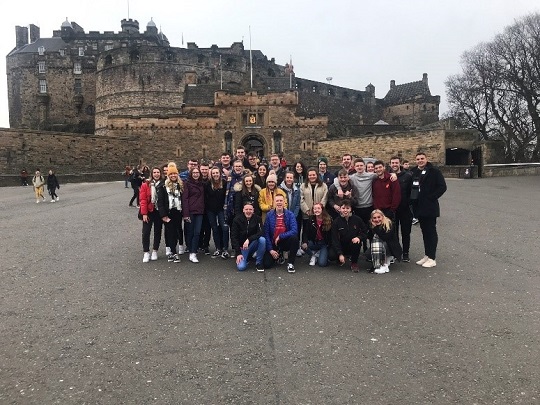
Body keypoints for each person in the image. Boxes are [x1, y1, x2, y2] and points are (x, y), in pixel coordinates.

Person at [410, 152, 447, 268]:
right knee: (424, 232)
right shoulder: (414, 171)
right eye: (418, 159)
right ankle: (427, 255)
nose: (420, 160)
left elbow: (442, 187)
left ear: (426, 159)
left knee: (431, 232)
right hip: (419, 207)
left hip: (430, 206)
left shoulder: (434, 171)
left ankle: (432, 257)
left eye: (422, 158)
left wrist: (431, 197)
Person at [263, 194, 299, 273]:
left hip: (284, 241)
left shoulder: (290, 214)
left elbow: (294, 230)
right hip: (273, 243)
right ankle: (278, 254)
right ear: (274, 202)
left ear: (284, 202)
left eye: (281, 201)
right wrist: (270, 250)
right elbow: (266, 233)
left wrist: (280, 236)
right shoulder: (269, 215)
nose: (279, 203)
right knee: (266, 264)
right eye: (277, 201)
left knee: (295, 239)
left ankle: (290, 263)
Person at [329, 200, 368, 272]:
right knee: (331, 255)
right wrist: (339, 253)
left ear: (351, 209)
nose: (345, 210)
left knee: (357, 243)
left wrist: (359, 237)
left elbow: (365, 231)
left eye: (347, 208)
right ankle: (341, 257)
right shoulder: (336, 222)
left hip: (352, 244)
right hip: (341, 245)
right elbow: (335, 239)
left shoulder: (357, 219)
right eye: (343, 208)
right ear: (340, 209)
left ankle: (354, 263)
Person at [157, 164, 184, 263]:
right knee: (170, 233)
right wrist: (163, 215)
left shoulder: (180, 185)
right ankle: (173, 252)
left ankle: (174, 251)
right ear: (168, 175)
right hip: (168, 213)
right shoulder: (163, 186)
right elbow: (160, 202)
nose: (173, 175)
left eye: (175, 173)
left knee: (176, 232)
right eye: (171, 174)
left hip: (177, 211)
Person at [390, 156, 413, 262]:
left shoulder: (408, 176)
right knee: (394, 233)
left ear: (400, 164)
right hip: (393, 209)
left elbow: (411, 192)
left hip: (405, 209)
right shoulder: (388, 176)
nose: (394, 164)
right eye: (392, 163)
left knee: (406, 232)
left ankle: (406, 253)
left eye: (396, 163)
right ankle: (397, 252)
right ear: (390, 164)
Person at [231, 202, 266, 272]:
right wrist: (238, 253)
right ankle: (247, 257)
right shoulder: (236, 220)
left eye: (250, 209)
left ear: (253, 210)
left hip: (253, 244)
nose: (248, 211)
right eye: (246, 209)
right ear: (243, 210)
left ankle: (258, 262)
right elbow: (234, 237)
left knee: (262, 240)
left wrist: (249, 239)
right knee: (241, 267)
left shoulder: (258, 219)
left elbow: (261, 232)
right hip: (242, 248)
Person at [139, 167, 164, 263]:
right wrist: (144, 213)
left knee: (158, 231)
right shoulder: (146, 185)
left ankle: (155, 250)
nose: (156, 174)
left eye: (158, 172)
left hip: (158, 211)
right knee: (146, 232)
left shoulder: (163, 184)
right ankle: (146, 252)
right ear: (152, 174)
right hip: (149, 211)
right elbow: (143, 200)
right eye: (154, 172)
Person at [367, 209, 403, 274]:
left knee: (380, 244)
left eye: (379, 217)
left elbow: (385, 237)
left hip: (390, 246)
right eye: (374, 218)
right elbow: (369, 237)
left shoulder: (389, 224)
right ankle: (381, 261)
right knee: (368, 254)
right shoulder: (371, 225)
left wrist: (376, 228)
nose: (377, 220)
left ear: (382, 216)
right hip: (379, 245)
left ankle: (383, 264)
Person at [205, 166, 230, 258]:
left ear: (220, 174)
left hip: (221, 210)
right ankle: (218, 248)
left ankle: (225, 249)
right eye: (214, 173)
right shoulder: (207, 184)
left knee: (224, 228)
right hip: (210, 210)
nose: (215, 174)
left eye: (217, 173)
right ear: (211, 174)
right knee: (215, 229)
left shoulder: (224, 183)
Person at [182, 167, 205, 263]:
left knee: (197, 232)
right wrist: (185, 214)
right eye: (194, 173)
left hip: (199, 211)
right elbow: (185, 199)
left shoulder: (202, 184)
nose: (196, 174)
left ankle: (193, 252)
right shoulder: (187, 184)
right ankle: (190, 250)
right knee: (190, 232)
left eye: (197, 172)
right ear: (191, 174)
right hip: (190, 211)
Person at [301, 202, 332, 267]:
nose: (317, 210)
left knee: (322, 264)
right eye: (315, 209)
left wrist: (329, 245)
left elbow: (331, 235)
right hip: (314, 242)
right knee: (303, 246)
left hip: (324, 243)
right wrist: (305, 242)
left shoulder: (328, 219)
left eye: (318, 208)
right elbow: (305, 232)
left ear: (322, 209)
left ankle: (319, 253)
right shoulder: (310, 219)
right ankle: (313, 256)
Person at [279, 171, 302, 255]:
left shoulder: (297, 190)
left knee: (294, 231)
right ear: (285, 178)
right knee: (283, 232)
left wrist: (293, 215)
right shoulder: (280, 189)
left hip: (293, 215)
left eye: (291, 178)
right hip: (282, 214)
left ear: (293, 179)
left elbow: (297, 204)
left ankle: (295, 248)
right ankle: (283, 250)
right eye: (287, 177)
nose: (289, 179)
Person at [198, 161, 212, 255]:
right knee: (199, 227)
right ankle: (199, 245)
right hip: (199, 207)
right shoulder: (197, 180)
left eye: (206, 169)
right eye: (202, 169)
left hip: (209, 207)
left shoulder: (211, 181)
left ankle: (206, 245)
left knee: (208, 227)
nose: (204, 171)